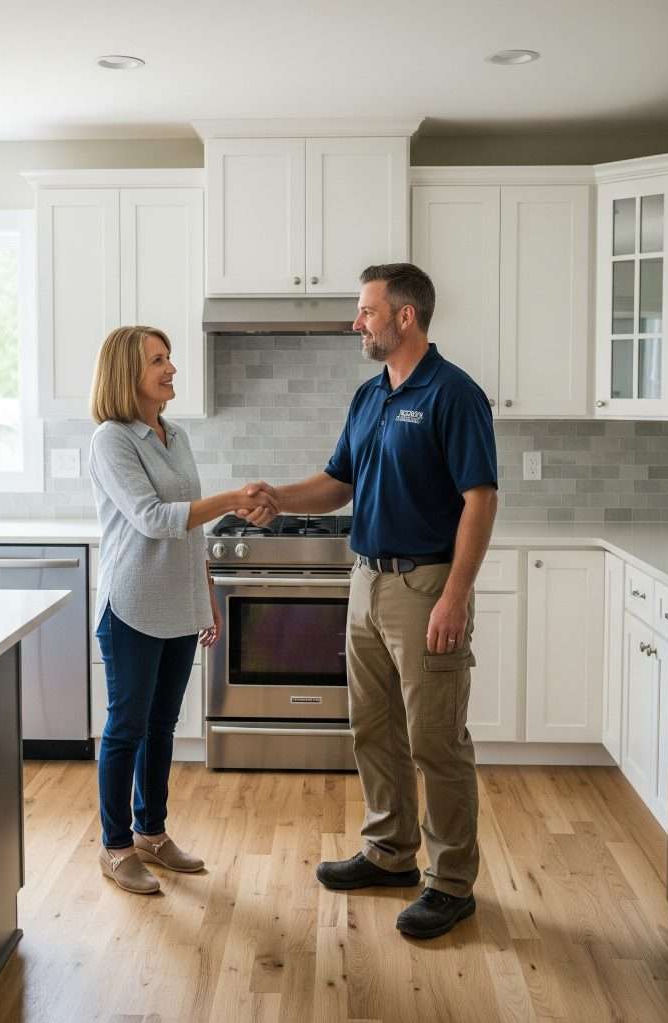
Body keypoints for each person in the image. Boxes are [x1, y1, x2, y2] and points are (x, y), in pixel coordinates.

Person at [240, 263, 498, 939]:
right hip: (365, 582)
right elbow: (337, 482)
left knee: (436, 741)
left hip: (424, 587)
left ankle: (451, 883)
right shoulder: (369, 396)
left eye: (367, 312)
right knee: (373, 729)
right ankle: (389, 854)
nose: (358, 323)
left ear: (404, 317)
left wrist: (455, 596)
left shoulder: (453, 394)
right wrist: (279, 499)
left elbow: (481, 499)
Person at [88, 325, 277, 894]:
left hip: (177, 600)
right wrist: (230, 501)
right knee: (126, 728)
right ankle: (115, 846)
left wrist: (207, 595)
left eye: (168, 359)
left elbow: (189, 535)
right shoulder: (111, 440)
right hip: (133, 604)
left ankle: (151, 832)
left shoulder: (175, 435)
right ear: (128, 373)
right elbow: (154, 518)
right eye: (158, 361)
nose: (171, 369)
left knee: (162, 727)